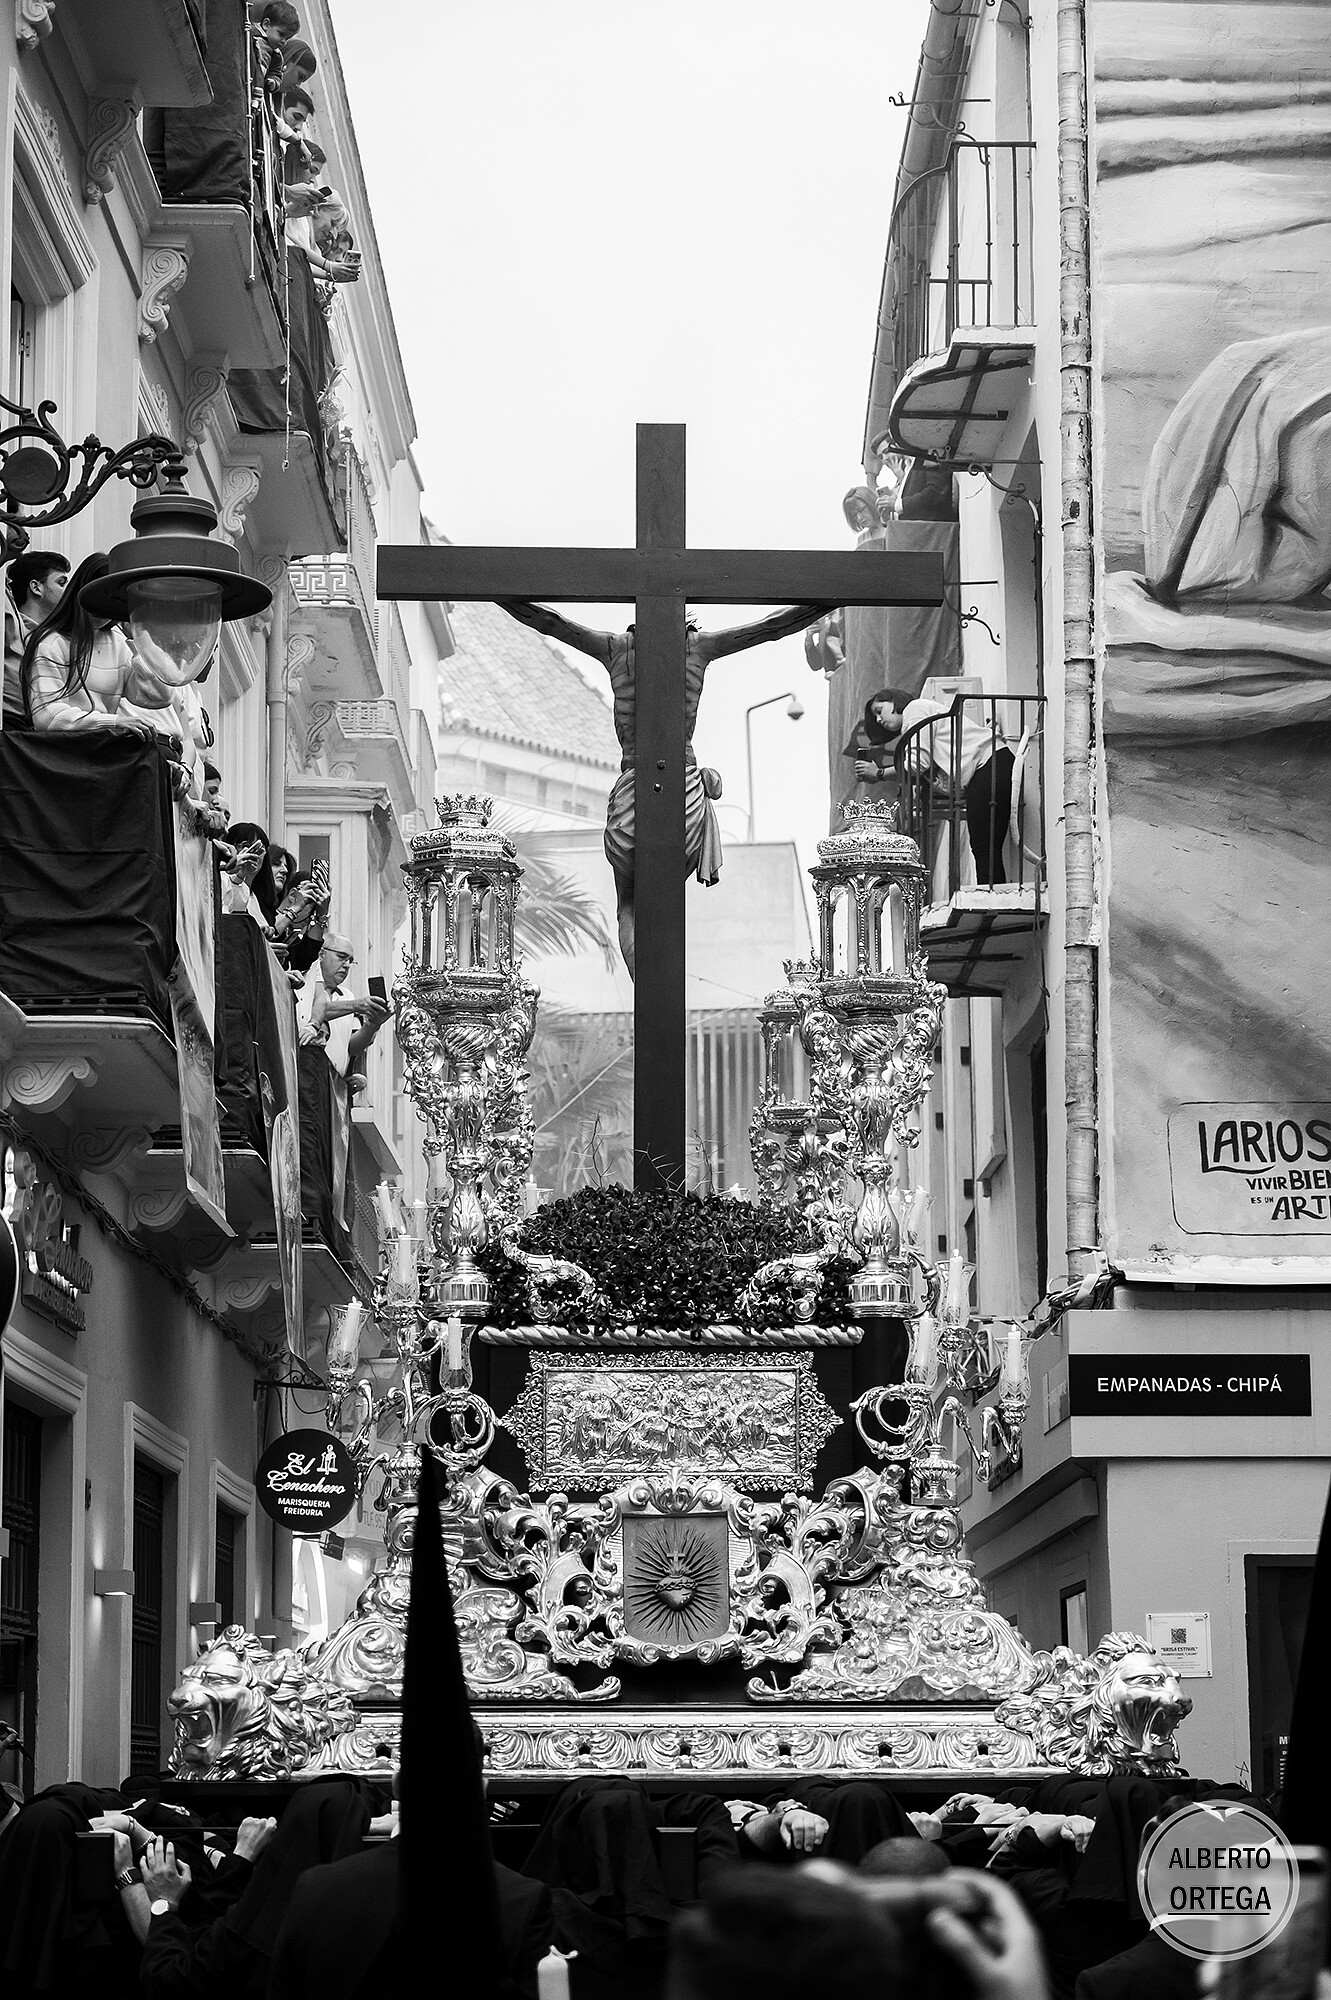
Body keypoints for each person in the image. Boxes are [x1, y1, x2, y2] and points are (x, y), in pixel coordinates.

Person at [499, 598, 830, 973]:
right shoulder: (698, 647)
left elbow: (549, 621)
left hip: (634, 784)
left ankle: (648, 986)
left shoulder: (616, 648)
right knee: (664, 901)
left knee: (629, 903)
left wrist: (493, 588)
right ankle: (658, 988)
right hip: (684, 788)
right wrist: (833, 599)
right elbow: (771, 627)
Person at [20, 554, 172, 737]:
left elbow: (161, 697)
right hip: (62, 756)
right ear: (82, 592)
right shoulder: (52, 642)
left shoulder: (118, 642)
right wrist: (113, 722)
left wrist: (139, 641)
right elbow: (47, 716)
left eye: (117, 599)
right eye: (100, 597)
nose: (105, 606)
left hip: (101, 753)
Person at [295, 931, 390, 1089]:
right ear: (321, 954)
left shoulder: (347, 995)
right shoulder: (302, 985)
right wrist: (355, 1005)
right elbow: (311, 1013)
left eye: (350, 961)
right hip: (304, 1078)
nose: (346, 965)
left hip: (334, 1086)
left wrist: (373, 1024)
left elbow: (353, 1047)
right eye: (341, 957)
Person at [3, 548, 69, 725]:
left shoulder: (61, 639)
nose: (68, 592)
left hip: (43, 729)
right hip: (10, 724)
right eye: (62, 583)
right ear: (36, 587)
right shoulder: (8, 625)